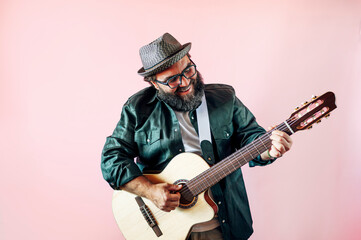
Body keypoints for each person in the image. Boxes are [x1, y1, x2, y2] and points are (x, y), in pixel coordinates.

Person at [101, 33, 293, 240]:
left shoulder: (225, 98)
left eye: (188, 70)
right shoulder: (138, 109)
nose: (185, 82)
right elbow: (111, 159)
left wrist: (268, 150)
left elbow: (252, 138)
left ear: (191, 59)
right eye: (172, 80)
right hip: (164, 228)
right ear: (154, 83)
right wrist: (151, 192)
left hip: (222, 225)